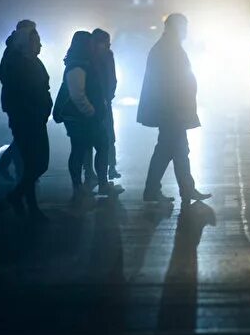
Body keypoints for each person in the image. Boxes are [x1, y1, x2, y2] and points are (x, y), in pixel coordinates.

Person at [138, 13, 211, 204]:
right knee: (169, 151)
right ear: (174, 28)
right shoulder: (167, 49)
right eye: (183, 27)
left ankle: (183, 189)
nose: (186, 31)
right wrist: (178, 109)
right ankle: (157, 190)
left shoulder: (168, 47)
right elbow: (170, 84)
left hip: (172, 111)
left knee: (177, 151)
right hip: (172, 112)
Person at [54, 31, 122, 200]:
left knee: (96, 146)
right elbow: (78, 95)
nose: (93, 46)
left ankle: (98, 183)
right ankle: (82, 186)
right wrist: (91, 111)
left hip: (86, 117)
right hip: (80, 118)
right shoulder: (77, 66)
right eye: (90, 43)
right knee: (81, 149)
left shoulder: (84, 63)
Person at [0, 25, 52, 221]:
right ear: (26, 43)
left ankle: (23, 200)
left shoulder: (32, 61)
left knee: (36, 163)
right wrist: (35, 112)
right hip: (26, 120)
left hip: (36, 118)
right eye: (36, 41)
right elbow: (21, 94)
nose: (40, 45)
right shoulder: (17, 64)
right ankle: (24, 201)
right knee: (35, 163)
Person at [0, 19, 36, 182]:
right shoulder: (14, 51)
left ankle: (11, 166)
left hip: (17, 101)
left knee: (21, 136)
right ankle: (21, 172)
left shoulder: (15, 49)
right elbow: (3, 74)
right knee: (22, 136)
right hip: (17, 102)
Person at [92, 28, 120, 180]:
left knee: (109, 136)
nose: (108, 45)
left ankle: (111, 167)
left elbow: (112, 77)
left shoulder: (107, 55)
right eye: (105, 42)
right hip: (96, 102)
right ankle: (94, 171)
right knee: (101, 137)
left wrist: (109, 95)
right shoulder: (92, 57)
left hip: (104, 101)